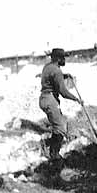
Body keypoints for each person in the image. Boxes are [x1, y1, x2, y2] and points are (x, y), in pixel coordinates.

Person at [36, 47, 82, 181]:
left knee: (60, 126)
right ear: (58, 59)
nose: (64, 60)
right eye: (63, 58)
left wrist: (64, 76)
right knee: (61, 128)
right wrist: (76, 99)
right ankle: (54, 157)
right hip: (50, 100)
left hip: (44, 98)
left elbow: (52, 79)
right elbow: (63, 92)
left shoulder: (48, 67)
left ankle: (53, 152)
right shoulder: (56, 71)